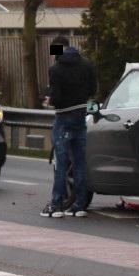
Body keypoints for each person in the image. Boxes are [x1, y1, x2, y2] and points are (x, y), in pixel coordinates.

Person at [41, 35, 96, 218]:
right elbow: (93, 90)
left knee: (61, 163)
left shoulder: (55, 69)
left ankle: (56, 206)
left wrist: (50, 100)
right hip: (81, 116)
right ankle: (79, 205)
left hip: (64, 117)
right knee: (79, 162)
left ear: (58, 48)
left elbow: (56, 98)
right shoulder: (86, 64)